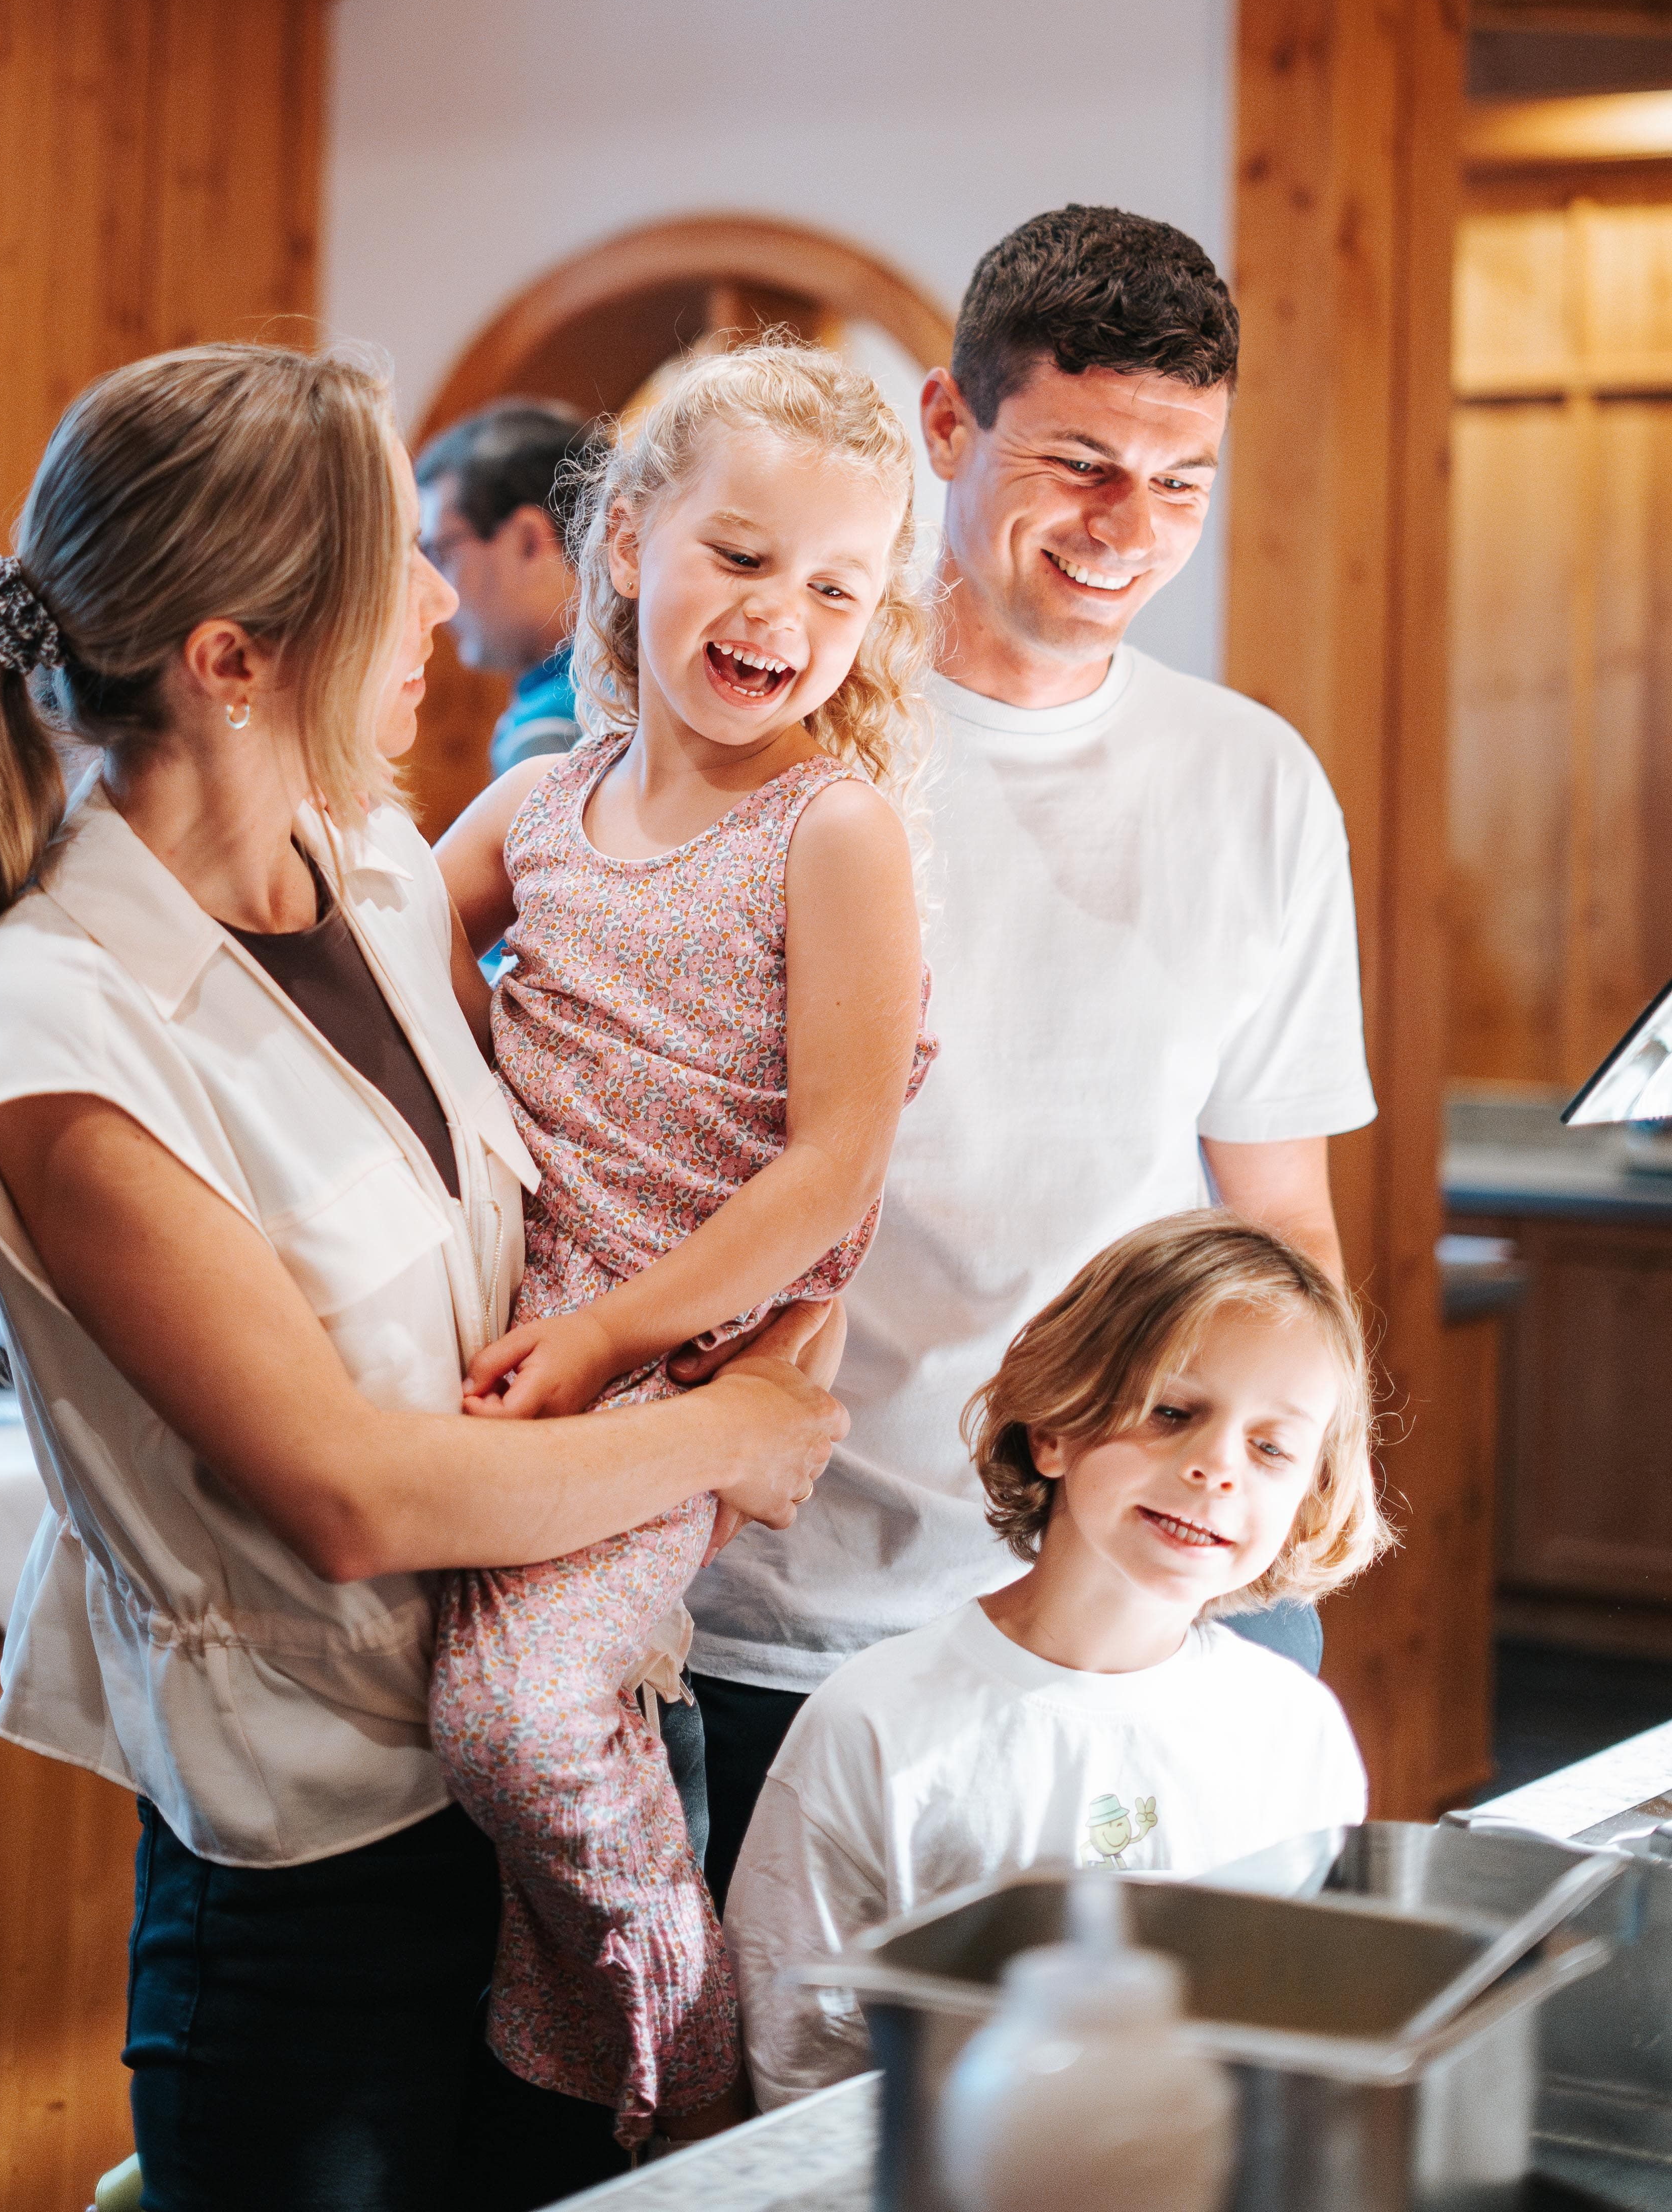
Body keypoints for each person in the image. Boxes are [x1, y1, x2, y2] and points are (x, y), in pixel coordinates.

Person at [0, 342, 847, 2212]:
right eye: (399, 568)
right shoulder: (63, 1027)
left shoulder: (375, 872)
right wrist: (729, 1432)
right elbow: (350, 1494)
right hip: (322, 1887)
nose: (444, 603)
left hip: (561, 1772)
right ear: (231, 658)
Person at [688, 206, 1378, 1900]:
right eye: (1080, 465)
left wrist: (1306, 1484)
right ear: (948, 425)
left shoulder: (1257, 784)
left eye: (1181, 481)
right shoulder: (781, 744)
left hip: (1148, 1595)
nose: (1128, 529)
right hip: (797, 1596)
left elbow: (1279, 1215)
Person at [431, 342, 935, 2151]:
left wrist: (609, 1335)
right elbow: (371, 956)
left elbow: (833, 1162)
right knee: (455, 1697)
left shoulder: (832, 829)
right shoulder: (535, 802)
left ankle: (696, 2095)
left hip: (672, 1356)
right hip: (502, 1324)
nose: (781, 614)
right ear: (630, 542)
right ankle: (568, 2078)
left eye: (836, 588)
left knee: (511, 1704)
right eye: (740, 555)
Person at [726, 1214, 1381, 2109]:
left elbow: (1309, 2029)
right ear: (1055, 1431)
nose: (1218, 1468)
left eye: (1272, 1448)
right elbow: (801, 2059)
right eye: (1173, 1413)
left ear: (1309, 1497)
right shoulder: (873, 1723)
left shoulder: (1295, 1731)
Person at [416, 399, 591, 774]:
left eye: (441, 553)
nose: (434, 596)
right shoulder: (661, 685)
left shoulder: (549, 735)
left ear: (529, 541)